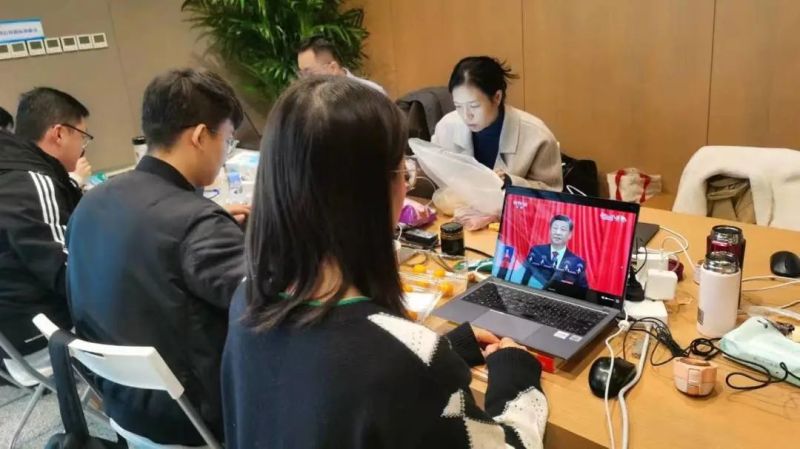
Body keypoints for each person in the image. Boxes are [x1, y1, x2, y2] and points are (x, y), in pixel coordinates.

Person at [222, 76, 548, 449]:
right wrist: (516, 375)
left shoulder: (249, 298)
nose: (406, 184)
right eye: (402, 171)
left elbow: (333, 381)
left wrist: (440, 348)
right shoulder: (403, 363)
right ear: (371, 192)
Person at [66, 69, 245, 445]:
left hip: (121, 406)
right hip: (197, 418)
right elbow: (266, 304)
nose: (225, 155)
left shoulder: (91, 203)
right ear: (200, 136)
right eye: (227, 140)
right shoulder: (196, 223)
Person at [0, 88, 89, 357]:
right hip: (39, 338)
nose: (83, 147)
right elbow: (66, 271)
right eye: (83, 137)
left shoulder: (11, 170)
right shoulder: (31, 182)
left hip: (12, 337)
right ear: (59, 134)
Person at [432, 56, 563, 191]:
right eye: (458, 106)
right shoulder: (446, 126)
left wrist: (511, 183)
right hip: (458, 205)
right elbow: (433, 171)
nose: (466, 115)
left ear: (497, 97)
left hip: (510, 206)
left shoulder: (538, 136)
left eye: (474, 106)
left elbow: (552, 191)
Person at [297, 35, 387, 95]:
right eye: (301, 74)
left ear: (333, 68)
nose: (304, 80)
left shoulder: (371, 92)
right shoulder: (308, 102)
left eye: (309, 73)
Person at [520, 215, 588, 289]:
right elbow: (523, 280)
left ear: (570, 235)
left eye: (563, 229)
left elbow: (582, 291)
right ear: (550, 231)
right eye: (555, 228)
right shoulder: (536, 251)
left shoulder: (577, 262)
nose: (557, 232)